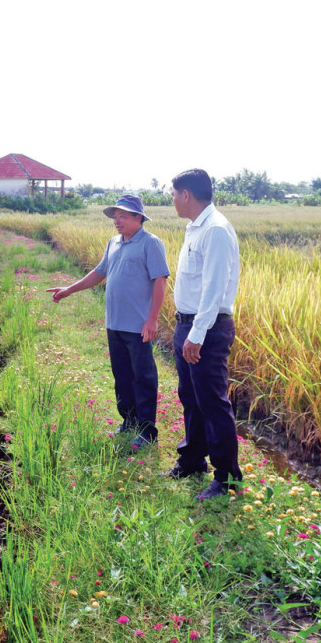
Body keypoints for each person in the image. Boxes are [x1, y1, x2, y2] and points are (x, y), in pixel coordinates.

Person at [46, 195, 169, 449]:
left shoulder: (151, 243)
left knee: (143, 376)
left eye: (123, 215)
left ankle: (147, 430)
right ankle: (129, 420)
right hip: (114, 322)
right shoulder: (114, 242)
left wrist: (152, 319)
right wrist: (69, 289)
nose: (117, 220)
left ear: (138, 218)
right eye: (115, 215)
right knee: (122, 374)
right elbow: (100, 272)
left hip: (138, 325)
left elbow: (160, 280)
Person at [164, 169, 241, 500]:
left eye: (173, 194)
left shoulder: (216, 230)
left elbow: (213, 289)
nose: (171, 200)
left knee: (212, 402)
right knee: (190, 397)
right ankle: (193, 459)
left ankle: (226, 478)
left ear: (186, 195)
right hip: (188, 325)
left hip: (205, 328)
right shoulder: (194, 228)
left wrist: (196, 334)